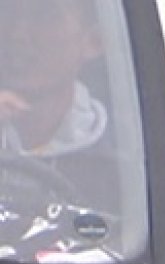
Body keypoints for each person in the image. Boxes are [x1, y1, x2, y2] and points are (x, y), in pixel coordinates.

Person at [0, 0, 106, 158]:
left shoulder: (126, 152)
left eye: (44, 15)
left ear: (94, 41)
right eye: (7, 12)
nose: (17, 34)